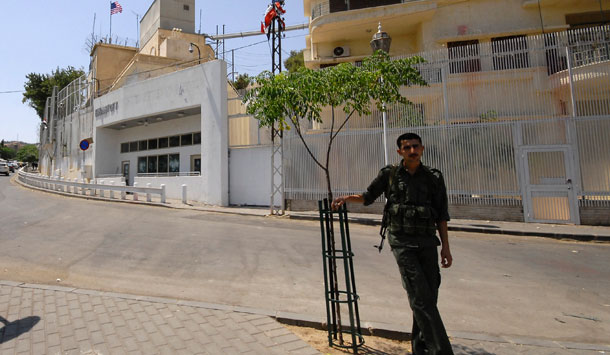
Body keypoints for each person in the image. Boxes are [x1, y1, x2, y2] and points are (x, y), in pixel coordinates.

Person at [331, 132, 454, 355]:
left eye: (415, 147)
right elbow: (368, 197)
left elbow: (442, 215)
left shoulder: (434, 177)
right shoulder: (390, 174)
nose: (412, 151)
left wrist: (446, 247)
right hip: (402, 242)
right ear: (400, 151)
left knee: (428, 296)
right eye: (407, 148)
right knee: (420, 295)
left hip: (427, 242)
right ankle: (441, 351)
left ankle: (420, 349)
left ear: (422, 149)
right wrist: (346, 198)